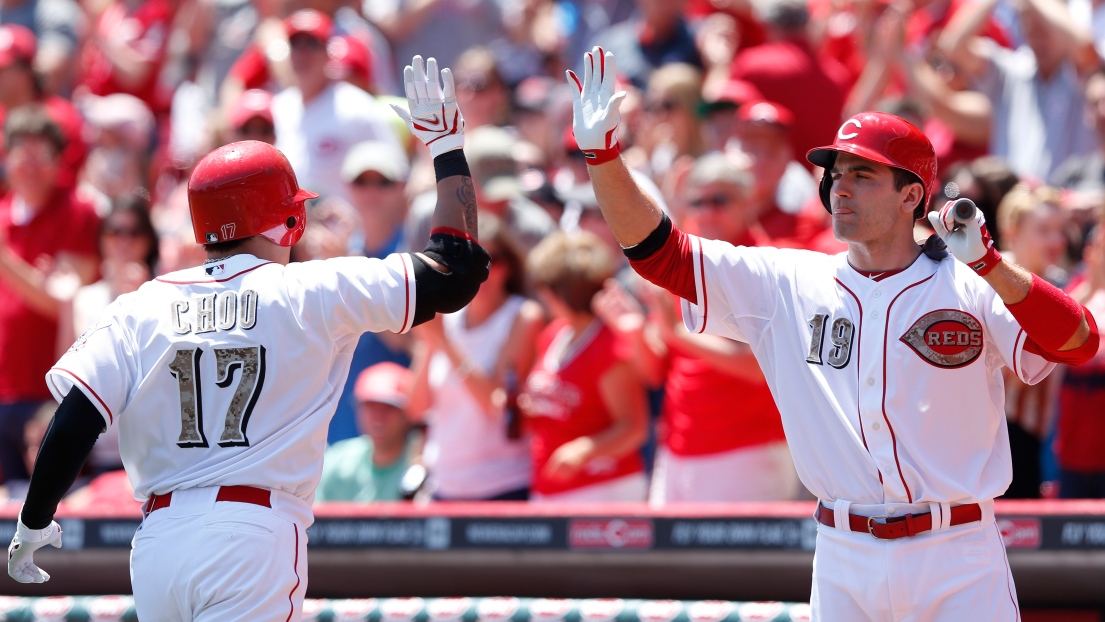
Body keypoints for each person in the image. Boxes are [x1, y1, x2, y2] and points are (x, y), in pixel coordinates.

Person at [569, 46, 1099, 618]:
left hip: (958, 552)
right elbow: (659, 256)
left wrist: (991, 265)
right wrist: (603, 157)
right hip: (845, 553)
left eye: (862, 175)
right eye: (837, 174)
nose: (839, 187)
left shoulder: (969, 282)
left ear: (911, 194)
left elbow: (1079, 342)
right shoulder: (789, 278)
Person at [7, 55, 490, 622]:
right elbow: (455, 272)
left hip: (159, 540)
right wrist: (446, 149)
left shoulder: (140, 304)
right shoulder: (312, 288)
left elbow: (76, 418)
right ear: (290, 221)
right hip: (253, 531)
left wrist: (34, 518)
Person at [408, 214, 543, 501]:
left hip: (503, 485)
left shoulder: (524, 316)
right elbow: (417, 408)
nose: (481, 271)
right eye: (468, 260)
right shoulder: (444, 318)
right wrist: (433, 342)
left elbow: (498, 404)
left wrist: (444, 341)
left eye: (492, 260)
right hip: (443, 485)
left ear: (508, 266)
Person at [0, 107, 100, 485]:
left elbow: (65, 302)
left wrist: (4, 259)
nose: (30, 166)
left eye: (41, 155)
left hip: (50, 392)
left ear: (59, 161)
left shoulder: (77, 211)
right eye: (21, 154)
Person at [519, 231, 649, 502]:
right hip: (550, 486)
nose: (541, 294)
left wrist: (584, 450)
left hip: (602, 490)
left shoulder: (608, 345)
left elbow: (633, 428)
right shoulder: (555, 333)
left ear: (564, 291)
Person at [315, 362, 421, 503]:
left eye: (388, 407)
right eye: (370, 407)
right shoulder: (338, 462)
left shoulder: (421, 465)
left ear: (407, 414)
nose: (378, 418)